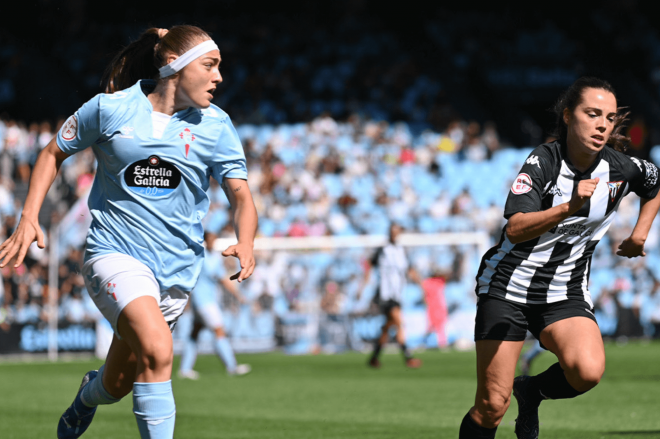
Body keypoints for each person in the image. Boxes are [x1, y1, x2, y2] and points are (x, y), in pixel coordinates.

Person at [0, 25, 258, 439]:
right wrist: (29, 215)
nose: (219, 77)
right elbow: (52, 152)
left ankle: (86, 396)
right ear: (176, 66)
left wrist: (246, 240)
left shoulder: (217, 125)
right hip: (114, 255)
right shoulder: (109, 109)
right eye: (210, 66)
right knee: (158, 350)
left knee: (117, 384)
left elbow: (242, 198)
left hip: (176, 273)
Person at [458, 77, 660, 439]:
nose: (602, 124)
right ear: (568, 116)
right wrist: (569, 207)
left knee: (587, 371)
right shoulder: (543, 161)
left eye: (610, 118)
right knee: (492, 406)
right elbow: (516, 228)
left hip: (564, 291)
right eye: (592, 113)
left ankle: (532, 390)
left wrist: (640, 233)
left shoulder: (621, 167)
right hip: (508, 287)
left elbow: (654, 185)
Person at [178, 231, 251, 379]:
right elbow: (221, 279)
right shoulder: (202, 257)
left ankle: (185, 369)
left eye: (214, 239)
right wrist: (238, 295)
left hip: (205, 300)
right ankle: (232, 366)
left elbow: (222, 278)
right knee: (219, 330)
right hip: (204, 301)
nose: (212, 242)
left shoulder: (213, 258)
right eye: (210, 239)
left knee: (195, 333)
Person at [362, 223, 422, 368]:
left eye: (396, 232)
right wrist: (364, 282)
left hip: (397, 294)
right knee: (399, 322)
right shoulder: (382, 250)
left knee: (388, 327)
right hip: (385, 295)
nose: (394, 234)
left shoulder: (402, 251)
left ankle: (374, 358)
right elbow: (368, 263)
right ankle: (408, 357)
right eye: (392, 231)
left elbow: (410, 269)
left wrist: (421, 284)